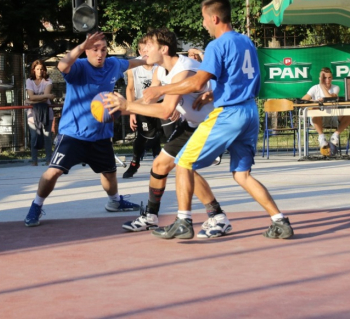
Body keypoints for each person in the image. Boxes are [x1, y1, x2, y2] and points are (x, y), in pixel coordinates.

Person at [142, 0, 294, 240]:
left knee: (183, 162)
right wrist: (215, 91)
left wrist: (161, 89)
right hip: (250, 111)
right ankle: (280, 221)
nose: (203, 24)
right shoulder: (247, 41)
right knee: (241, 175)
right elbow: (241, 78)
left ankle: (183, 220)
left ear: (214, 18)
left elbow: (196, 82)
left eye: (204, 19)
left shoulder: (217, 45)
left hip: (230, 113)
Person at [106, 28, 232, 238]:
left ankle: (218, 217)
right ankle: (152, 217)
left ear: (163, 49)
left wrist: (127, 105)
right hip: (192, 124)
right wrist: (121, 108)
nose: (143, 50)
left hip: (212, 124)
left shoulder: (184, 69)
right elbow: (149, 100)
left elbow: (165, 109)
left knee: (185, 166)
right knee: (160, 164)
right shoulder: (159, 70)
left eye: (149, 46)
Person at [24, 32, 147, 227]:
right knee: (53, 172)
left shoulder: (113, 64)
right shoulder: (79, 67)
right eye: (95, 50)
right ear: (87, 51)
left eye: (103, 50)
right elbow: (62, 65)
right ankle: (36, 205)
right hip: (73, 133)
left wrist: (147, 59)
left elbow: (131, 63)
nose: (100, 54)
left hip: (100, 134)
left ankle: (114, 202)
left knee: (109, 172)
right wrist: (81, 46)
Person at [123, 36, 170, 179]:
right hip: (142, 105)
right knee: (144, 136)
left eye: (149, 49)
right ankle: (135, 162)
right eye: (144, 49)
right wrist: (132, 111)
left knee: (167, 133)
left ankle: (160, 161)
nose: (147, 52)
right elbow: (130, 89)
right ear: (139, 50)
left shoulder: (159, 65)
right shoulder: (133, 67)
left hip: (160, 103)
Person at [301, 67, 350, 156]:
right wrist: (315, 101)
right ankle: (322, 137)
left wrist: (322, 86)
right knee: (315, 110)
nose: (327, 80)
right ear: (320, 79)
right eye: (324, 78)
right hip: (319, 119)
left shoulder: (335, 87)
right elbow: (303, 100)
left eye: (329, 77)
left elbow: (330, 97)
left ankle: (335, 135)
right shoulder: (314, 88)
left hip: (333, 116)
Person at [25, 59, 55, 166]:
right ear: (33, 70)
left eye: (42, 69)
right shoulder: (29, 81)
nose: (40, 71)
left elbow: (40, 99)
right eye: (37, 69)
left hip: (46, 112)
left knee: (47, 136)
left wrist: (30, 100)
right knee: (34, 136)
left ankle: (49, 160)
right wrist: (46, 96)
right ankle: (34, 160)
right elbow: (40, 96)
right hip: (32, 114)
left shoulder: (48, 81)